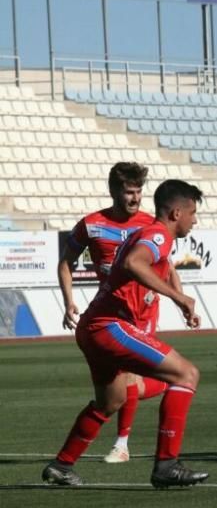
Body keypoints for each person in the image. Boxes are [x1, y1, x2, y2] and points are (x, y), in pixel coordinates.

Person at [43, 179, 209, 488]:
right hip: (109, 326)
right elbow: (135, 262)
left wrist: (178, 297)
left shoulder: (147, 233)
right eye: (192, 212)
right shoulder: (157, 234)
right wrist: (178, 297)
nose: (195, 220)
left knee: (111, 400)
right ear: (176, 213)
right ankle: (167, 465)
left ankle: (61, 465)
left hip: (93, 328)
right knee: (187, 375)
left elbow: (139, 264)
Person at [57, 162, 182, 464]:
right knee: (121, 389)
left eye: (139, 191)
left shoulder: (150, 224)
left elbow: (168, 267)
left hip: (142, 310)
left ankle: (122, 443)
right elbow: (66, 262)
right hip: (111, 309)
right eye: (129, 192)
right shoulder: (91, 224)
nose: (135, 198)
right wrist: (68, 300)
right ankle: (169, 382)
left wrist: (180, 300)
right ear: (114, 191)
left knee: (127, 379)